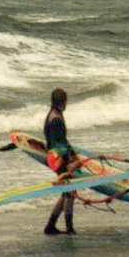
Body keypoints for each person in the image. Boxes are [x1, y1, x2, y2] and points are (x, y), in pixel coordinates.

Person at [43, 88, 79, 235]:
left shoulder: (54, 114)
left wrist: (72, 153)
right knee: (70, 192)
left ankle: (51, 225)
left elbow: (61, 142)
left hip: (57, 156)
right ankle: (69, 228)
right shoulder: (56, 119)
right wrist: (71, 159)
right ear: (63, 102)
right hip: (58, 159)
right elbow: (58, 145)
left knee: (67, 192)